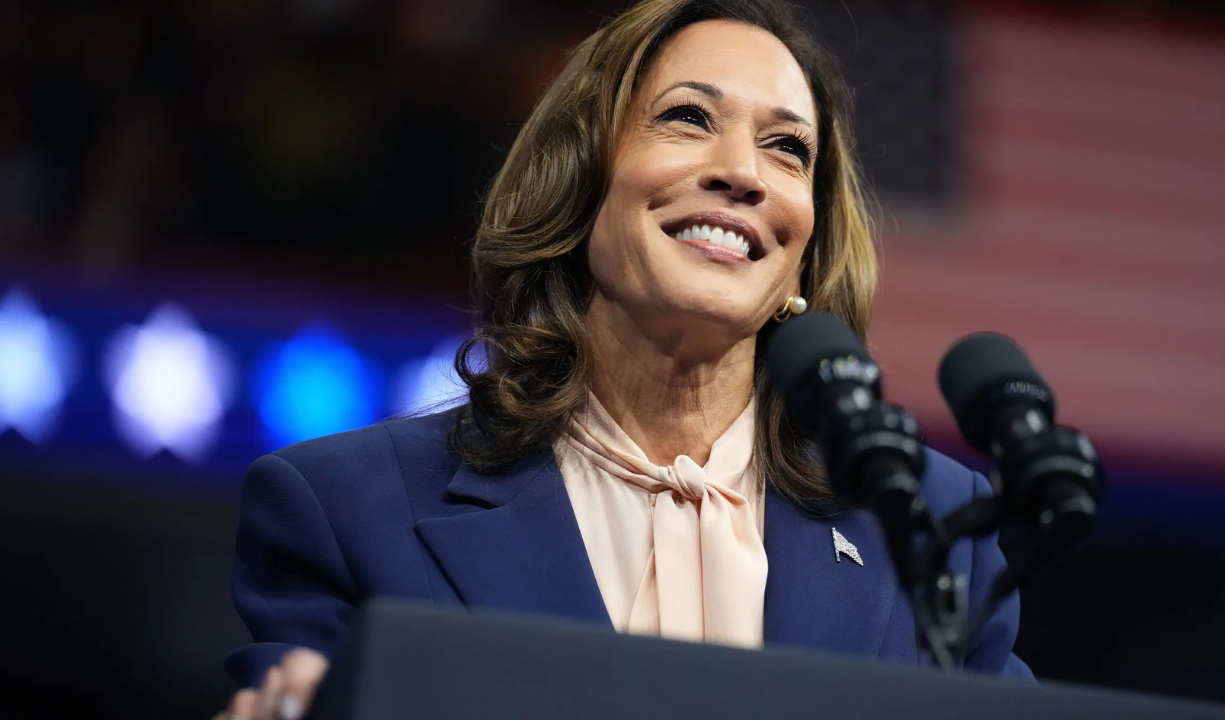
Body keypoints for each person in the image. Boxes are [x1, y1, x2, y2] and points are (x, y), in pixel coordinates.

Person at [215, 0, 1031, 717]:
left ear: (804, 250)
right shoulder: (350, 512)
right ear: (580, 178)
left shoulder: (927, 525)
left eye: (788, 148)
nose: (743, 173)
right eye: (688, 118)